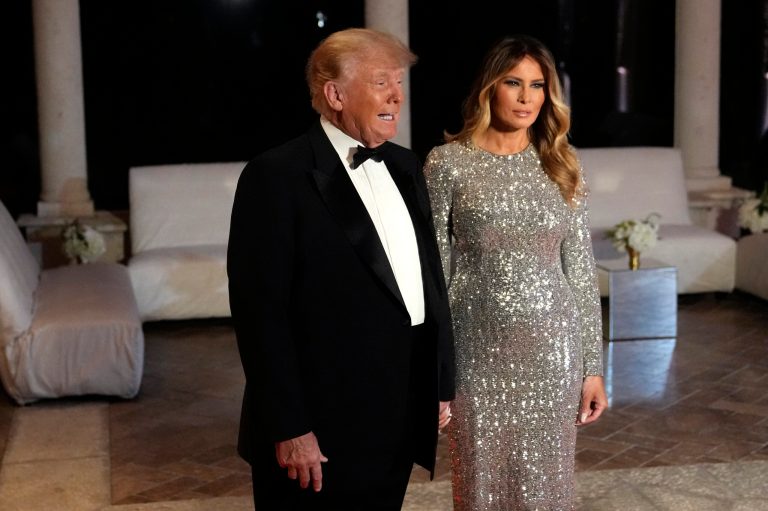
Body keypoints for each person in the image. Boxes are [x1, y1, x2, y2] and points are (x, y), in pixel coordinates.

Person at [227, 28, 455, 511]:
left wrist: (438, 382)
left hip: (397, 415)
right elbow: (260, 315)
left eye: (398, 82)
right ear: (334, 94)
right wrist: (290, 427)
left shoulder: (406, 166)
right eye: (380, 82)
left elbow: (428, 280)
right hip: (318, 431)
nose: (396, 96)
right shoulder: (276, 175)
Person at [423, 35, 607, 510]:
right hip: (474, 350)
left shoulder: (561, 163)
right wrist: (433, 367)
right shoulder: (447, 164)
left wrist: (592, 368)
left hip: (554, 352)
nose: (526, 98)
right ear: (490, 88)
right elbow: (434, 273)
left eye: (537, 85)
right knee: (479, 484)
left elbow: (580, 271)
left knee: (547, 487)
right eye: (513, 83)